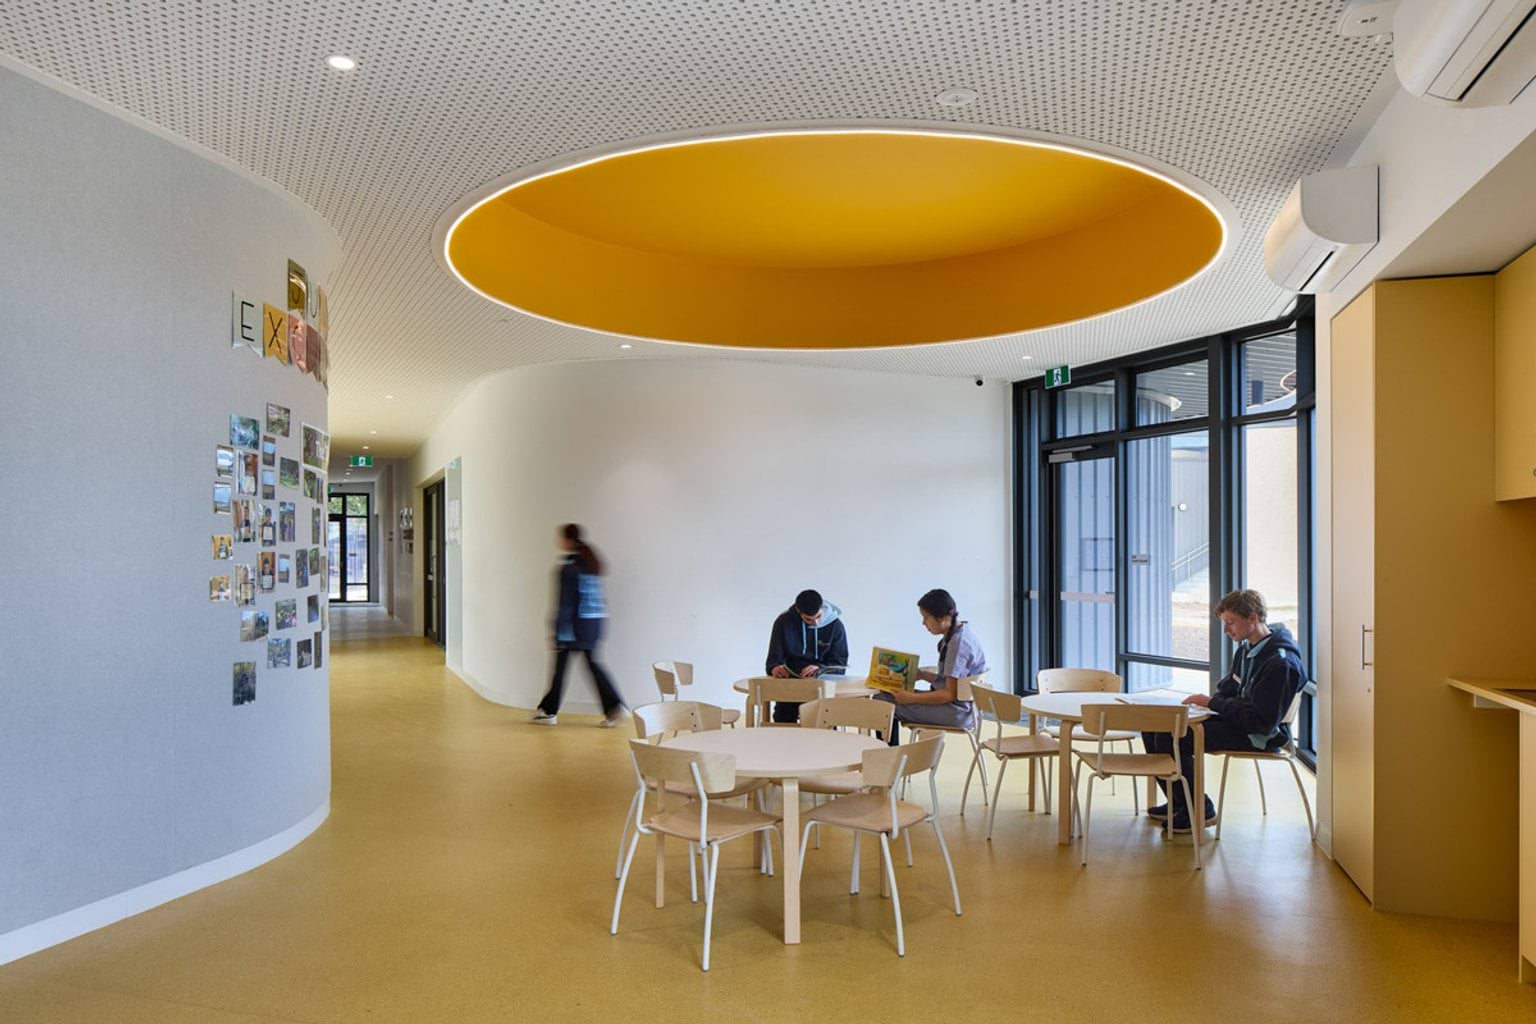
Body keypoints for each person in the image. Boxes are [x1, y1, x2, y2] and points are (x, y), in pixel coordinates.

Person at [1143, 588, 1305, 832]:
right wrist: (1208, 704)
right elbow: (1229, 688)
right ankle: (1181, 802)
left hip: (1260, 736)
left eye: (1231, 622)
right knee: (1155, 726)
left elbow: (1261, 722)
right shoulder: (1248, 648)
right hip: (1240, 722)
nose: (1226, 630)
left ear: (1253, 618)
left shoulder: (1280, 663)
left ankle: (1198, 808)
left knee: (1172, 736)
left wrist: (1212, 704)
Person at [530, 524, 625, 727]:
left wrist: (557, 632)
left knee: (560, 669)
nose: (559, 542)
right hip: (594, 625)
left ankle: (549, 712)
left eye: (560, 538)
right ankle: (614, 707)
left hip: (573, 629)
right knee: (591, 666)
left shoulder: (569, 568)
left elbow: (564, 604)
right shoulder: (591, 565)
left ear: (567, 540)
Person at [873, 589, 984, 744]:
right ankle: (890, 756)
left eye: (926, 617)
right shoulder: (962, 632)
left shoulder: (957, 644)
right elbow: (953, 683)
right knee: (884, 695)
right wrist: (924, 675)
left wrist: (911, 698)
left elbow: (949, 694)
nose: (923, 623)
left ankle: (889, 760)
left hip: (956, 712)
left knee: (881, 703)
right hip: (965, 708)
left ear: (943, 618)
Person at [764, 590, 849, 724]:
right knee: (782, 718)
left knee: (824, 719)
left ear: (822, 608)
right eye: (808, 619)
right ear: (799, 612)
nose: (815, 623)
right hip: (790, 686)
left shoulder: (835, 625)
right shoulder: (783, 623)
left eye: (818, 616)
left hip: (822, 687)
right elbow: (773, 660)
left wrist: (819, 668)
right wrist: (775, 668)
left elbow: (840, 664)